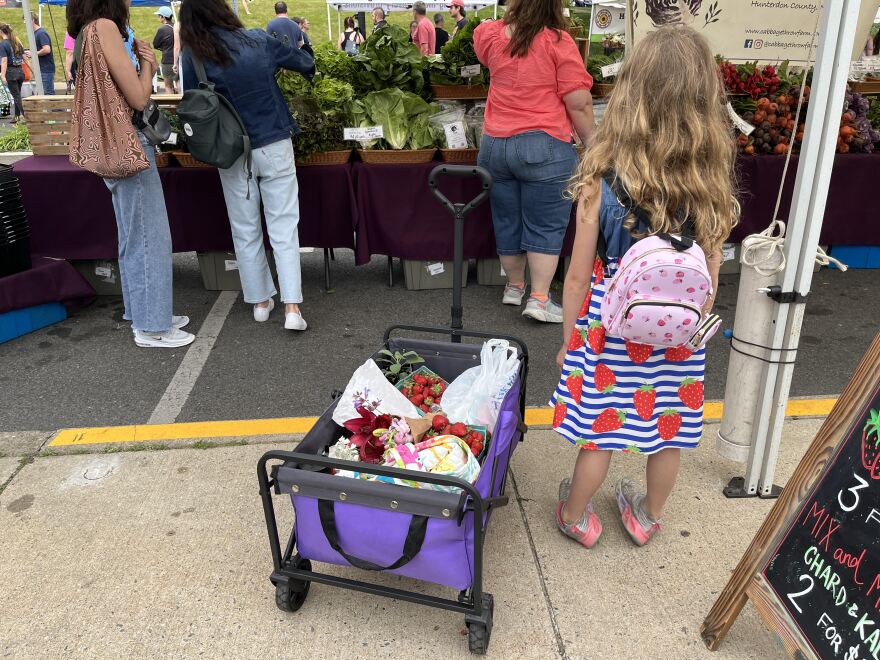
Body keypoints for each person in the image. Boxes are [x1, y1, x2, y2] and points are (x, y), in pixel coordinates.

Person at [552, 26, 737, 548]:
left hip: (610, 327)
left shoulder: (603, 174)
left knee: (600, 432)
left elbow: (577, 274)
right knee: (668, 433)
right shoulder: (710, 177)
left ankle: (577, 515)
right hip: (679, 330)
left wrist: (572, 338)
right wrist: (691, 314)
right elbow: (712, 271)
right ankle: (647, 516)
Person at [180, 0, 315, 331]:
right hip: (273, 141)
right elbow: (303, 62)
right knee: (284, 226)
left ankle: (259, 302)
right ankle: (293, 308)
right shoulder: (257, 39)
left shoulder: (193, 55)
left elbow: (193, 100)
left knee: (245, 227)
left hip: (230, 148)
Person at [66, 0, 194, 348]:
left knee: (133, 234)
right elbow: (138, 98)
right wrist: (149, 66)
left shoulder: (85, 31)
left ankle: (144, 313)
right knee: (149, 235)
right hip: (129, 144)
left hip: (113, 146)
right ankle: (152, 326)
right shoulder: (105, 27)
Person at [475, 0, 595, 323]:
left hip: (494, 146)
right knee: (545, 224)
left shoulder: (492, 35)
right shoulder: (558, 42)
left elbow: (482, 45)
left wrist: (510, 18)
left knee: (506, 217)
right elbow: (579, 103)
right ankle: (539, 299)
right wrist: (595, 145)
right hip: (544, 147)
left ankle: (514, 286)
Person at [0, 24, 25, 122]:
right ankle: (17, 116)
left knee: (16, 95)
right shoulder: (17, 42)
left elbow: (4, 61)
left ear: (1, 32)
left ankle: (27, 116)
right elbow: (25, 58)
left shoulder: (3, 44)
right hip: (20, 71)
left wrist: (3, 75)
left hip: (11, 73)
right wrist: (33, 70)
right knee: (17, 94)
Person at [152, 7, 178, 93]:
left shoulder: (162, 29)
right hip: (179, 60)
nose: (158, 17)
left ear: (163, 17)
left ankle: (171, 106)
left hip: (167, 61)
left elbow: (155, 44)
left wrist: (163, 48)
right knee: (179, 84)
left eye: (159, 16)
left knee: (168, 86)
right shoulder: (177, 27)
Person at [30, 13, 56, 95]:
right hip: (42, 69)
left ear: (32, 20)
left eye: (25, 20)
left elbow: (47, 49)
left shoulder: (41, 33)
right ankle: (57, 108)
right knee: (44, 94)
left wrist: (33, 54)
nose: (24, 23)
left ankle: (58, 108)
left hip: (46, 69)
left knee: (48, 93)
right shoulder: (35, 33)